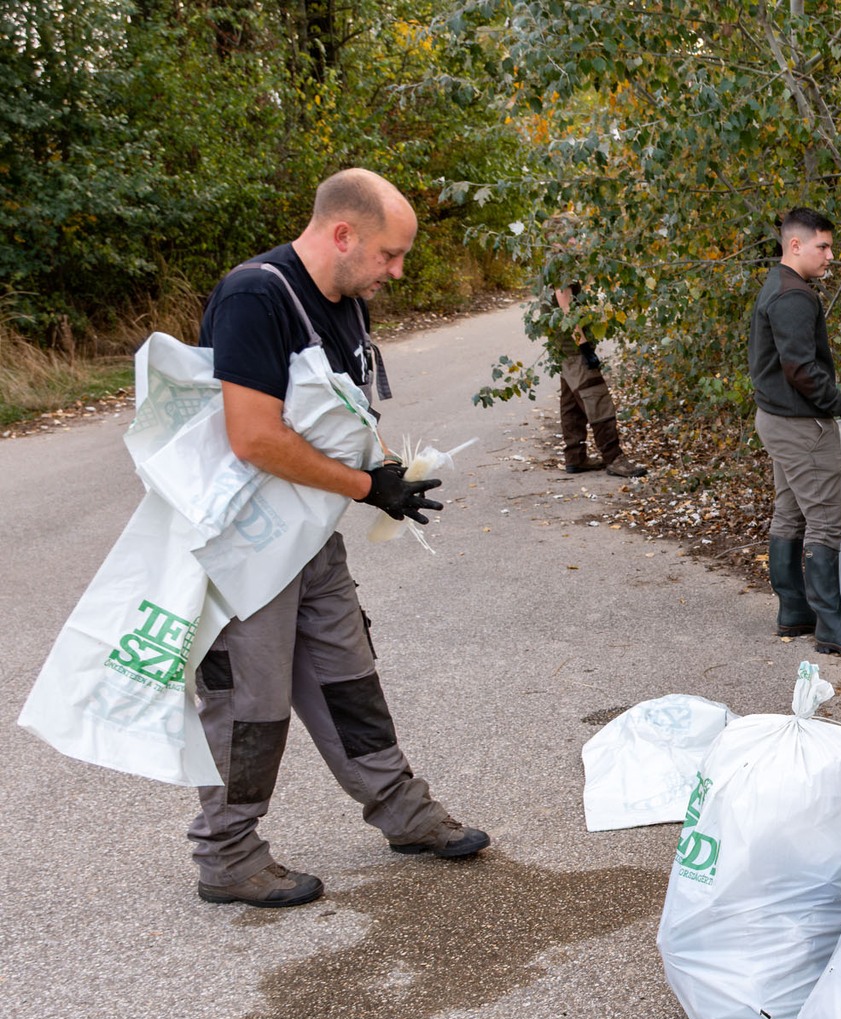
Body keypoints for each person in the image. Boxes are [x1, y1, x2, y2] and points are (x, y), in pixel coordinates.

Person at [190, 167, 490, 909]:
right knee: (250, 704)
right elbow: (253, 437)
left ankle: (402, 811)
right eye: (391, 254)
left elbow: (346, 412)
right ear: (344, 233)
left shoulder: (347, 304)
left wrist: (387, 472)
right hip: (248, 547)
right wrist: (363, 487)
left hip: (312, 535)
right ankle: (227, 852)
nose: (397, 271)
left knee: (348, 678)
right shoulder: (256, 297)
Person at [749, 206, 841, 658]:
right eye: (822, 246)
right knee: (825, 518)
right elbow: (802, 370)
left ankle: (794, 611)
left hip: (776, 419)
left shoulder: (777, 284)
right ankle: (830, 626)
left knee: (790, 511)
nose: (830, 256)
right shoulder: (794, 296)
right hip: (801, 426)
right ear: (795, 244)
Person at [544, 219, 645, 477]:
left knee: (571, 402)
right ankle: (614, 458)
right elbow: (567, 310)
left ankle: (575, 457)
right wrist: (585, 347)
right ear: (557, 238)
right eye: (571, 235)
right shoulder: (560, 267)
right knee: (596, 397)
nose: (576, 239)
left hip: (562, 348)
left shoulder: (551, 264)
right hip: (572, 348)